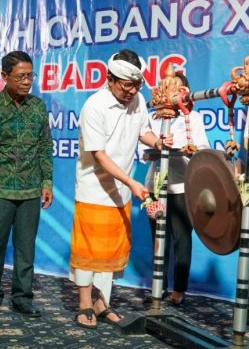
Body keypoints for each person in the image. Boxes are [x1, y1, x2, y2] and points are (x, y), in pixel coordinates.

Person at [70, 49, 172, 329]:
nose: (131, 91)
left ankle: (103, 303)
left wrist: (158, 143)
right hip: (94, 189)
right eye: (126, 85)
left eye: (136, 85)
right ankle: (84, 303)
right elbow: (100, 155)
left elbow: (143, 132)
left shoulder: (137, 100)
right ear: (109, 79)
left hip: (123, 190)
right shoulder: (94, 106)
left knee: (112, 250)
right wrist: (130, 181)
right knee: (89, 249)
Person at [0, 51, 53, 321]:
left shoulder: (38, 107)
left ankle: (22, 298)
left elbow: (44, 147)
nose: (27, 81)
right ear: (4, 76)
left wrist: (47, 182)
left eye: (30, 75)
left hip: (31, 190)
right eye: (20, 76)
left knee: (25, 249)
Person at [144, 72, 210, 306]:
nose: (171, 93)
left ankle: (179, 290)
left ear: (185, 92)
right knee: (158, 239)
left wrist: (187, 149)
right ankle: (158, 285)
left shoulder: (194, 118)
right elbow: (143, 152)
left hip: (183, 188)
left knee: (182, 239)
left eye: (177, 89)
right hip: (155, 186)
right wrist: (156, 147)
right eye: (166, 87)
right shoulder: (152, 117)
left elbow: (202, 150)